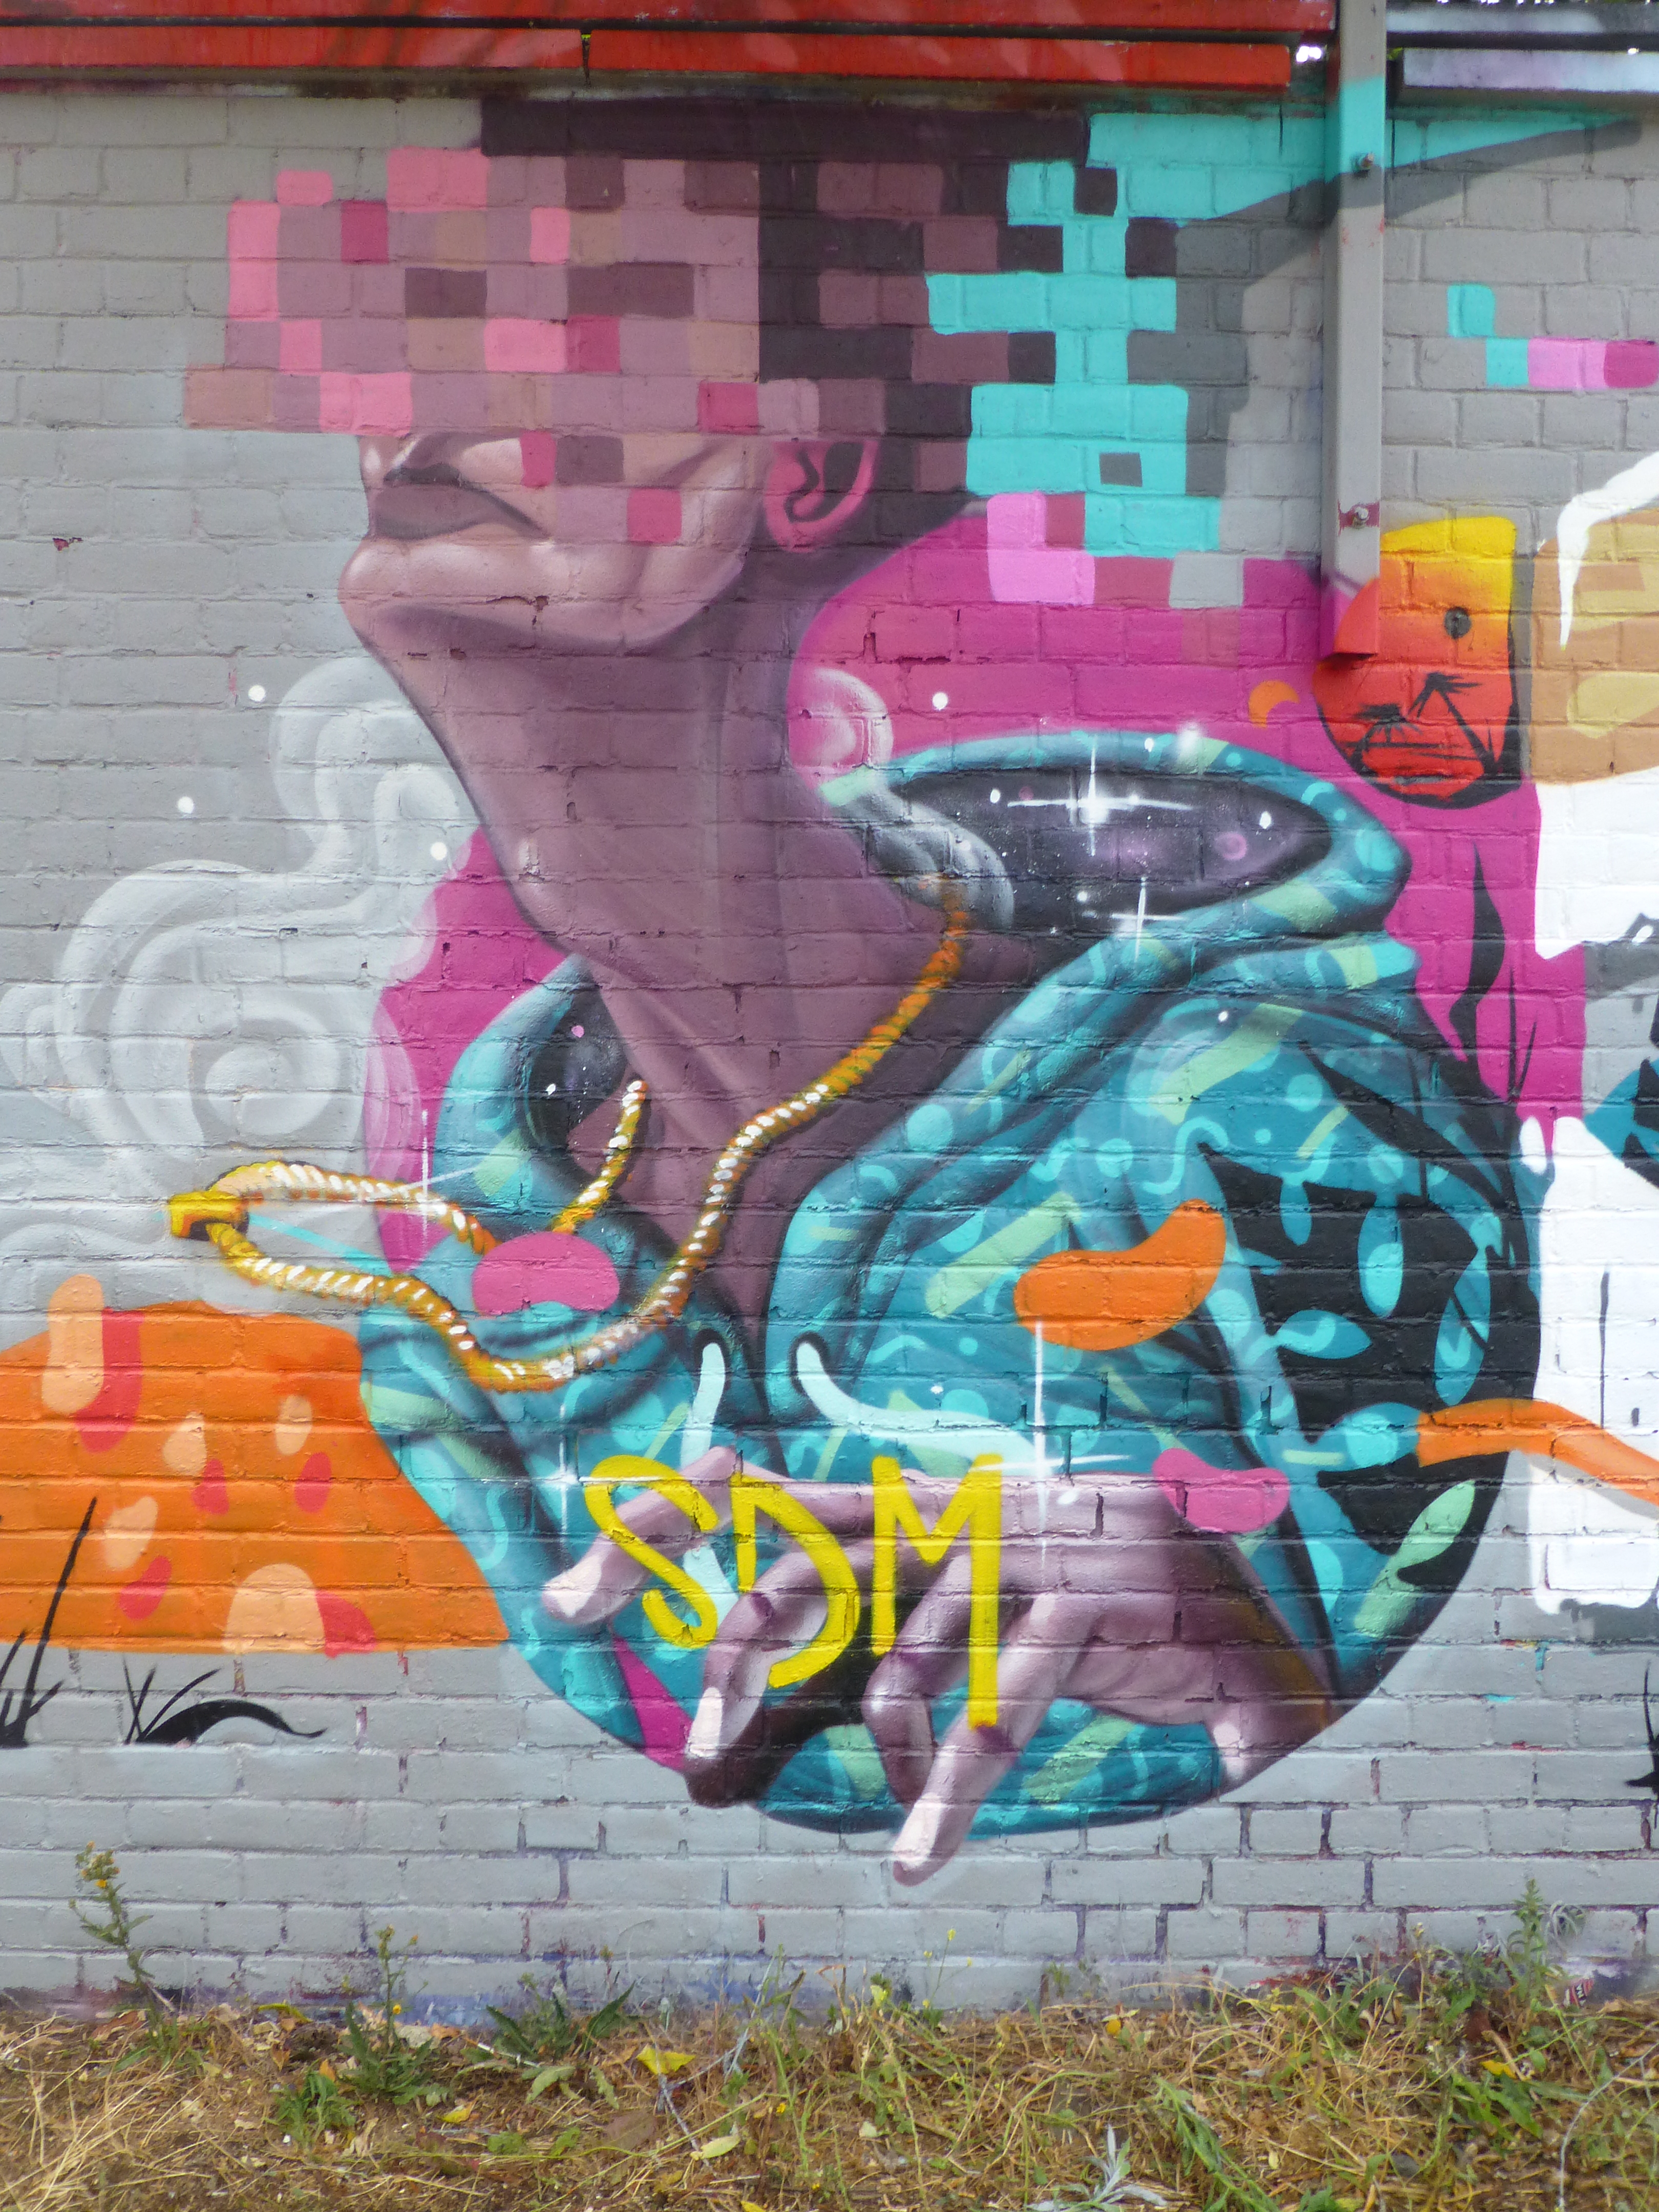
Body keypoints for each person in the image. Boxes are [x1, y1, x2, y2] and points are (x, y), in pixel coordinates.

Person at [183, 100, 1540, 1881]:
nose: (440, 399)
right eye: (433, 322)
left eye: (579, 329)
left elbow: (1423, 1791)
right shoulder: (481, 1236)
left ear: (805, 469)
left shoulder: (1256, 1105)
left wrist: (1241, 1653)